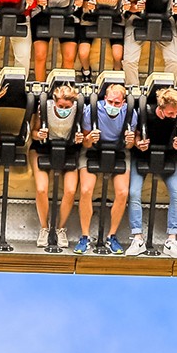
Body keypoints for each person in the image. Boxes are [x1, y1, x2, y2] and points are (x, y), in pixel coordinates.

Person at [125, 87, 177, 257]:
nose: (174, 115)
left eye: (176, 111)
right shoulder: (146, 113)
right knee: (133, 193)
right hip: (143, 156)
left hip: (168, 157)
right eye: (171, 112)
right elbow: (137, 135)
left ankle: (171, 240)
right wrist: (139, 144)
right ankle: (137, 238)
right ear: (161, 108)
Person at [76, 82, 133, 254]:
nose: (113, 106)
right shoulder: (91, 110)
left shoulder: (130, 113)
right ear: (105, 98)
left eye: (118, 103)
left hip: (118, 152)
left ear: (123, 103)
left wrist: (130, 142)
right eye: (111, 102)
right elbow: (84, 142)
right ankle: (85, 236)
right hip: (93, 150)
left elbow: (130, 146)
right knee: (86, 190)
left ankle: (111, 236)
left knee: (123, 192)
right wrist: (90, 139)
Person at [28, 82, 85, 248]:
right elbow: (33, 132)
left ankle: (60, 228)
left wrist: (79, 138)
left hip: (69, 150)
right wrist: (39, 134)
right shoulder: (45, 107)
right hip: (43, 149)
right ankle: (44, 228)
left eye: (67, 106)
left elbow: (81, 133)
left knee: (70, 190)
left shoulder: (79, 110)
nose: (63, 109)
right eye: (60, 106)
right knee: (41, 188)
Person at [122, 0, 177, 86]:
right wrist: (135, 7)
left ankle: (167, 90)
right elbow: (129, 6)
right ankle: (133, 88)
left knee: (175, 61)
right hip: (138, 18)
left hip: (165, 19)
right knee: (129, 60)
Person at [77, 0, 126, 80]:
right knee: (83, 53)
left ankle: (116, 75)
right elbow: (82, 2)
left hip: (114, 19)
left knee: (117, 55)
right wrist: (87, 4)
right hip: (91, 17)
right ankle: (86, 72)